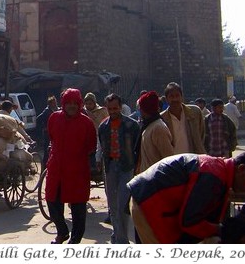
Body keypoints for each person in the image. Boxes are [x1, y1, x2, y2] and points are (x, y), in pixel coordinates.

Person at [127, 150, 245, 244]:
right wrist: (220, 230)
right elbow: (189, 221)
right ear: (242, 169)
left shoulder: (220, 172)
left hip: (151, 198)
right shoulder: (214, 176)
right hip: (149, 202)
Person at [45, 88, 97, 244]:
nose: (72, 106)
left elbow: (91, 146)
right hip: (56, 169)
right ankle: (62, 232)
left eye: (75, 103)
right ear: (64, 103)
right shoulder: (54, 118)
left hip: (77, 171)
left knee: (78, 208)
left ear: (79, 104)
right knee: (52, 201)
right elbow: (51, 137)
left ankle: (74, 241)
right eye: (69, 103)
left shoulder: (86, 123)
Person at [97, 93, 140, 244]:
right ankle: (118, 236)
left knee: (123, 204)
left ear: (120, 107)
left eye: (115, 108)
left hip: (126, 166)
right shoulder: (103, 126)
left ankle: (121, 241)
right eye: (110, 109)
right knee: (113, 205)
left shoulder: (131, 125)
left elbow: (137, 147)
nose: (113, 111)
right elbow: (101, 147)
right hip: (110, 167)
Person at [134, 91, 174, 175]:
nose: (139, 111)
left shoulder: (158, 128)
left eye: (141, 108)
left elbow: (168, 157)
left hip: (155, 178)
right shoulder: (147, 126)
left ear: (145, 109)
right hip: (146, 176)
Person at [160, 82, 205, 154]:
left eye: (177, 96)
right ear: (166, 99)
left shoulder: (195, 112)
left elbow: (202, 134)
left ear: (182, 97)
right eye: (171, 96)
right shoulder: (162, 119)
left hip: (194, 159)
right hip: (173, 161)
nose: (175, 99)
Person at [36, 95, 58, 167]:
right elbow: (38, 119)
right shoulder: (46, 111)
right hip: (48, 133)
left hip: (54, 132)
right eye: (54, 102)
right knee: (47, 148)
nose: (55, 104)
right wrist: (44, 127)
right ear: (50, 103)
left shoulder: (56, 110)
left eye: (55, 102)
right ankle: (45, 164)